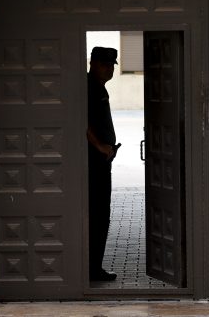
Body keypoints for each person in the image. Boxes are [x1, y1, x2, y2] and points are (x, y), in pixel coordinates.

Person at [87, 46, 119, 281]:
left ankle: (94, 266)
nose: (109, 69)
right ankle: (92, 269)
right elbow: (82, 120)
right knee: (98, 216)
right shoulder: (89, 87)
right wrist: (100, 146)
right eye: (104, 64)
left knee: (101, 215)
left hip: (101, 162)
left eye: (111, 66)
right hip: (94, 163)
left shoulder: (97, 87)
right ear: (92, 63)